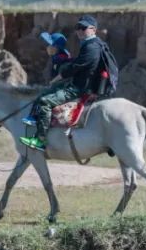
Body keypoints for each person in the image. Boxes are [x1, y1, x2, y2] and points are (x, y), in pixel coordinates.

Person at [21, 16, 103, 151]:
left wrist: (57, 79)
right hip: (77, 85)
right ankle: (35, 118)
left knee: (45, 101)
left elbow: (73, 69)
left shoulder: (90, 48)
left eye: (83, 28)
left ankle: (40, 139)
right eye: (78, 28)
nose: (79, 31)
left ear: (93, 29)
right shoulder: (88, 46)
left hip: (77, 88)